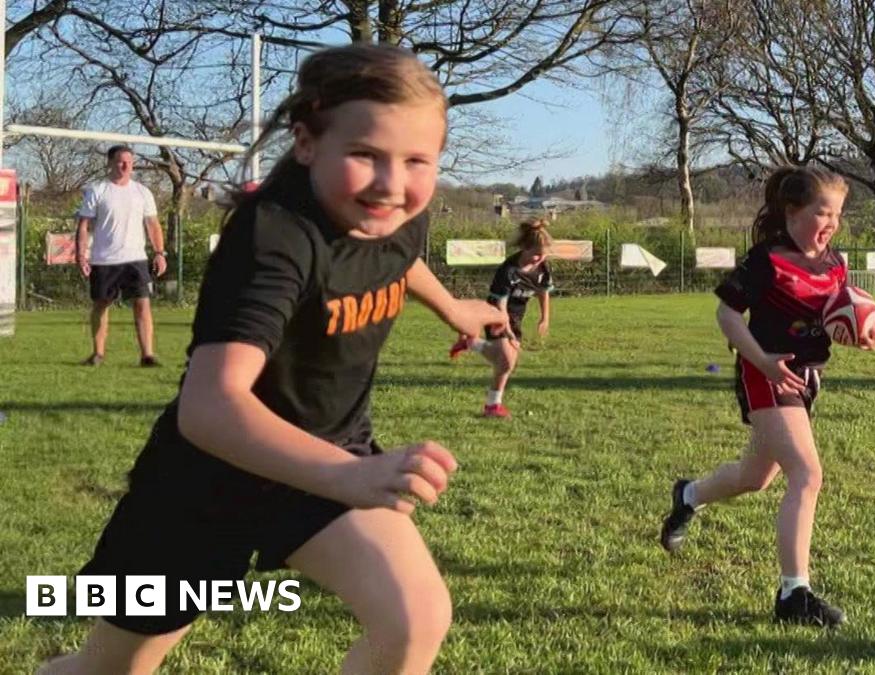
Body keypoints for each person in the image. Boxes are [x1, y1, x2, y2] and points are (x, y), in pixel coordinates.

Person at [39, 44, 505, 675]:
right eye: (365, 154)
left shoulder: (399, 217)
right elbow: (209, 407)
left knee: (414, 618)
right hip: (207, 481)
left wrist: (453, 307)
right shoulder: (274, 238)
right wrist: (347, 478)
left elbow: (393, 255)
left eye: (417, 160)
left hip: (329, 458)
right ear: (307, 141)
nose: (393, 185)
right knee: (111, 671)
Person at [658, 165, 875, 627]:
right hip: (765, 375)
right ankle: (793, 595)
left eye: (838, 215)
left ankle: (689, 494)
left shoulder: (835, 263)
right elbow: (727, 315)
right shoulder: (767, 260)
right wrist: (762, 362)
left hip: (805, 380)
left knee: (754, 477)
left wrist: (865, 332)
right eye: (823, 213)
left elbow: (839, 310)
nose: (831, 224)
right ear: (793, 211)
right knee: (807, 473)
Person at [449, 219, 554, 418]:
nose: (540, 258)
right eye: (536, 253)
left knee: (505, 361)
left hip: (516, 318)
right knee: (506, 361)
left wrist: (544, 318)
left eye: (544, 253)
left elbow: (543, 292)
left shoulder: (542, 269)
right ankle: (492, 406)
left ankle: (471, 343)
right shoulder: (508, 271)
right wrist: (508, 332)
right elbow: (501, 306)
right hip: (496, 314)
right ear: (524, 247)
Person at [76, 145, 168, 367]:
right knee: (102, 304)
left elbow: (153, 225)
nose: (126, 166)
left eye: (129, 161)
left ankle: (147, 355)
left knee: (142, 303)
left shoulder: (142, 192)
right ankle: (97, 353)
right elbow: (84, 225)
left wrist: (159, 253)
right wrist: (81, 255)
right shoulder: (97, 190)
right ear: (110, 163)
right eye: (120, 161)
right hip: (104, 259)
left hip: (135, 259)